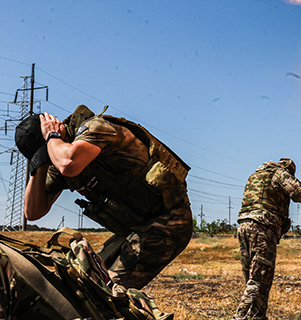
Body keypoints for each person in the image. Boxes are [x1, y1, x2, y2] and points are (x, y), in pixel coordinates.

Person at [16, 104, 193, 290]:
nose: (50, 159)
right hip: (135, 227)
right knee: (86, 280)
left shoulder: (95, 128)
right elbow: (33, 212)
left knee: (106, 291)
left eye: (47, 154)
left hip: (169, 219)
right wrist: (39, 166)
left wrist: (52, 137)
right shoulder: (56, 159)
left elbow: (69, 163)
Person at [224, 158, 301, 320]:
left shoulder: (256, 175)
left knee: (256, 278)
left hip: (244, 226)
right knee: (258, 278)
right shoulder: (280, 173)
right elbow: (300, 194)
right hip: (262, 228)